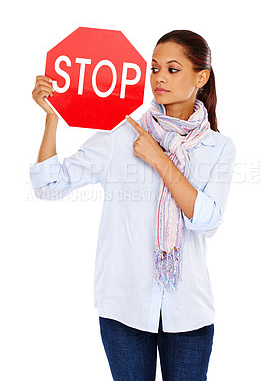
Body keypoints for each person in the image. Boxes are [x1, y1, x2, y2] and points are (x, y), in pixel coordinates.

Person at [30, 30, 236, 381]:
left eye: (172, 69)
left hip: (188, 313)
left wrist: (159, 159)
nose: (159, 78)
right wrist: (53, 118)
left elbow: (207, 221)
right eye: (154, 68)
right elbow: (49, 185)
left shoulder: (219, 147)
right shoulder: (120, 134)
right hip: (124, 308)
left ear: (201, 78)